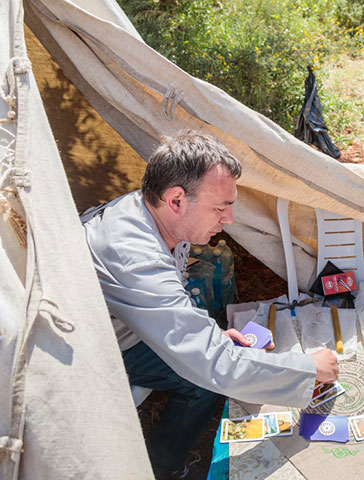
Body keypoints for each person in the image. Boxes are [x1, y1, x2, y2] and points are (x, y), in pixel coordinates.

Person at [82, 131, 338, 480]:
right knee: (205, 377)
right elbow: (212, 362)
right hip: (96, 352)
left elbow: (172, 303)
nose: (228, 219)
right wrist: (308, 370)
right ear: (176, 200)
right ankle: (164, 469)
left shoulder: (155, 214)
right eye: (220, 207)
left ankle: (164, 460)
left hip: (126, 329)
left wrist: (211, 335)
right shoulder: (133, 255)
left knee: (210, 361)